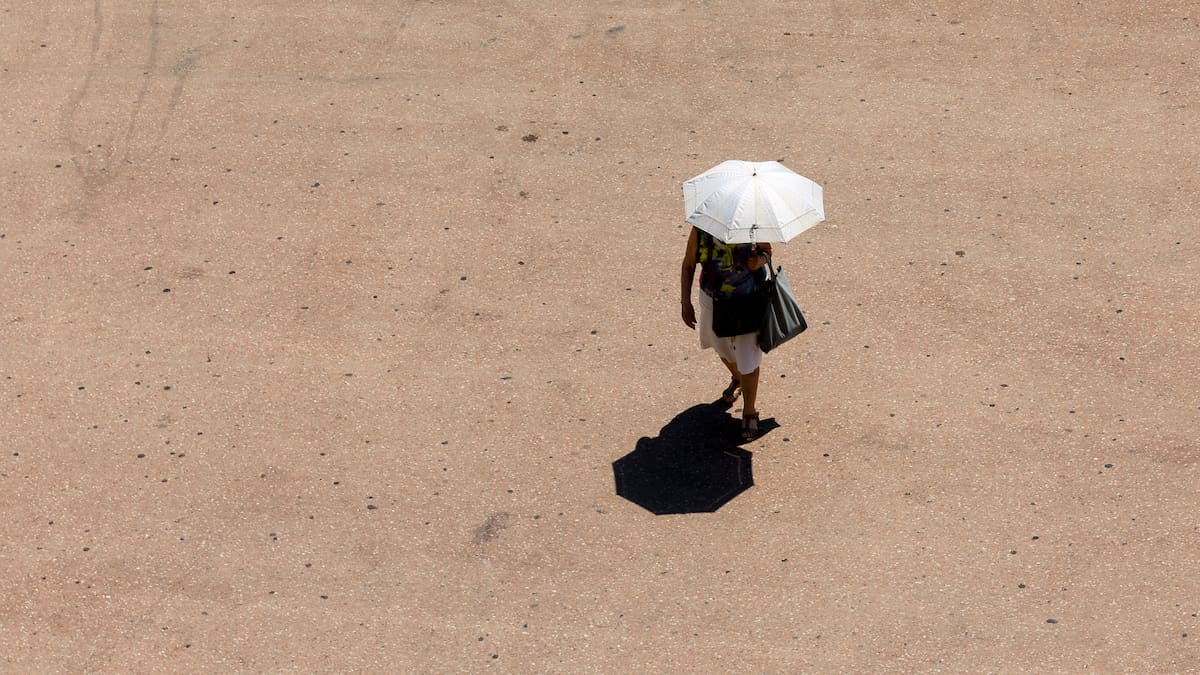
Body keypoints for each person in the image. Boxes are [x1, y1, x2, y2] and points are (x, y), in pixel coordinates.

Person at [680, 226, 772, 440]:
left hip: (749, 302)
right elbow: (688, 265)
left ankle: (749, 412)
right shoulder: (702, 230)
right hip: (713, 301)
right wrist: (685, 302)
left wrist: (760, 261)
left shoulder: (754, 224)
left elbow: (767, 251)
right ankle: (738, 378)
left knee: (749, 359)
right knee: (720, 349)